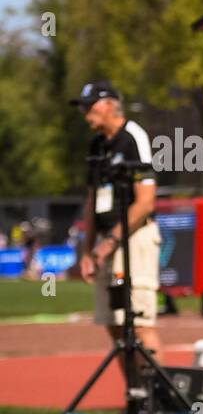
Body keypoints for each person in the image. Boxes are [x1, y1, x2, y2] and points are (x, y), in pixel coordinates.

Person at [72, 80, 163, 380]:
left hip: (133, 240)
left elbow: (146, 201)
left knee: (138, 322)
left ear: (110, 104)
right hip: (105, 243)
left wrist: (108, 243)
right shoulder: (97, 145)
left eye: (90, 105)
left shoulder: (133, 137)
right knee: (113, 322)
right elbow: (91, 198)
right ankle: (134, 396)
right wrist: (87, 250)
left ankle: (159, 399)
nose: (85, 113)